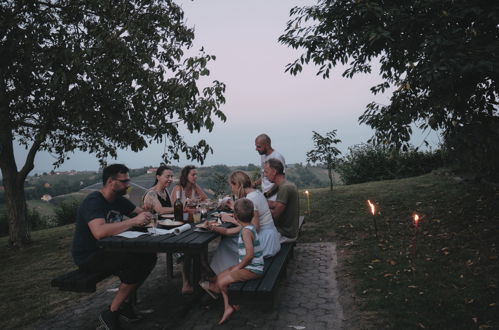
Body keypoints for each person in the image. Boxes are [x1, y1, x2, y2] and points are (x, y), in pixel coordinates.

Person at [71, 164, 157, 329]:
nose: (128, 185)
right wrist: (132, 221)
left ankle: (124, 304)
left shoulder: (118, 200)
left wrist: (146, 214)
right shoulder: (94, 201)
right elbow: (99, 232)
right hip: (89, 255)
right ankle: (111, 312)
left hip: (111, 249)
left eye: (128, 181)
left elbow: (140, 214)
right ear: (111, 181)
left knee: (149, 255)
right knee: (134, 263)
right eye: (124, 181)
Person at [200, 198, 263, 324]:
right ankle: (229, 300)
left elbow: (250, 255)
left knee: (222, 282)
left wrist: (238, 267)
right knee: (218, 277)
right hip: (249, 266)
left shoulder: (246, 232)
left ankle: (229, 306)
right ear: (251, 215)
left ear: (234, 216)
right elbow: (227, 231)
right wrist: (212, 227)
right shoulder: (245, 227)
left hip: (253, 269)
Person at [209, 171, 280, 274]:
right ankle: (225, 272)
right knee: (230, 237)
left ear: (237, 184)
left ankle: (223, 273)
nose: (231, 189)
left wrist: (232, 220)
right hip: (270, 237)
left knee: (226, 242)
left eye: (231, 186)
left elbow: (255, 228)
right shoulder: (256, 193)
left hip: (265, 242)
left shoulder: (252, 198)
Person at [170, 165, 208, 294]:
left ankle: (203, 273)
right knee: (188, 248)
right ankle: (186, 283)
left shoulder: (194, 187)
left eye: (196, 174)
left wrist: (195, 202)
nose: (195, 177)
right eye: (193, 174)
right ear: (186, 175)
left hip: (191, 222)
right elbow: (178, 208)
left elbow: (206, 199)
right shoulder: (178, 189)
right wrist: (192, 204)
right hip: (178, 224)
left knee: (201, 240)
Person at [264, 158, 300, 243]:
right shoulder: (287, 184)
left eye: (266, 172)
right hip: (289, 231)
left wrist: (257, 209)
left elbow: (275, 215)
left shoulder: (285, 188)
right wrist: (262, 201)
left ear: (274, 171)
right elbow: (277, 205)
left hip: (285, 233)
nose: (265, 175)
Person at [253, 134, 286, 200]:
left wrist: (267, 195)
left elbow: (281, 180)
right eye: (256, 146)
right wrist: (254, 184)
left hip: (274, 197)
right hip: (265, 196)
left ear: (267, 145)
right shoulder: (263, 156)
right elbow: (264, 176)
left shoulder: (277, 157)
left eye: (259, 147)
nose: (256, 149)